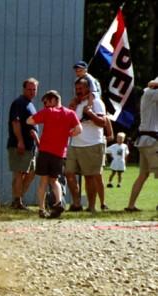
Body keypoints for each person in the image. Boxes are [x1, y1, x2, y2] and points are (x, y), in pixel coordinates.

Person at [27, 90, 82, 218]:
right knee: (55, 180)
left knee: (43, 182)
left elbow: (29, 121)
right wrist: (69, 133)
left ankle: (41, 209)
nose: (46, 105)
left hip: (45, 151)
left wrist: (41, 117)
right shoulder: (70, 113)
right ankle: (58, 202)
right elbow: (79, 129)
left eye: (47, 102)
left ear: (54, 100)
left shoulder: (48, 112)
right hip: (59, 153)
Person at [65, 77, 107, 212]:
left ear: (88, 88)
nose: (78, 91)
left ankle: (91, 206)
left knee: (89, 176)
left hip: (92, 144)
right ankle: (77, 203)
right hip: (75, 144)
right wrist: (70, 108)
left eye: (81, 88)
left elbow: (102, 122)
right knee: (69, 173)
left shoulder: (96, 102)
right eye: (76, 89)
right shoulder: (76, 104)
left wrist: (90, 113)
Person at [125, 77, 158, 212]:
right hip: (152, 141)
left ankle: (131, 205)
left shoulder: (147, 93)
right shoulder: (152, 93)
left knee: (143, 175)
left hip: (144, 140)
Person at [7, 78, 40, 210]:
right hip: (19, 145)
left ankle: (18, 198)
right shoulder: (19, 103)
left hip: (30, 146)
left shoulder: (30, 104)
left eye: (34, 89)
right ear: (23, 89)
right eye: (29, 89)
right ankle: (17, 201)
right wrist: (20, 140)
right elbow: (16, 122)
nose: (32, 92)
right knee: (19, 173)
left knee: (31, 172)